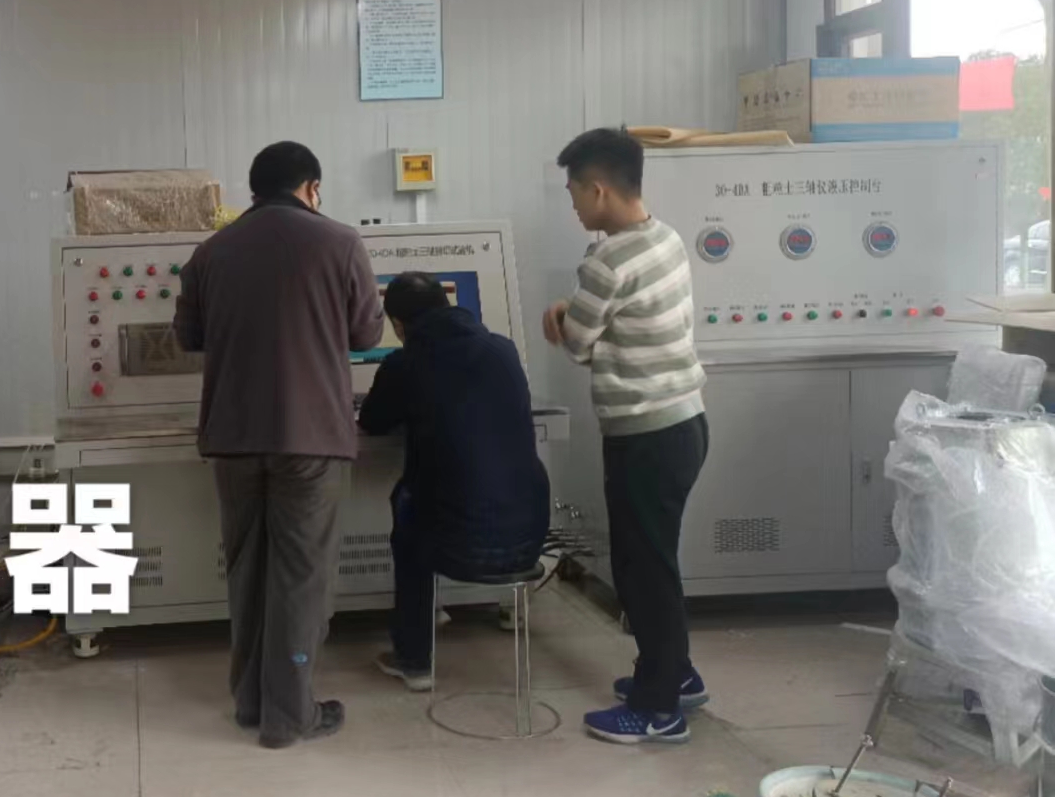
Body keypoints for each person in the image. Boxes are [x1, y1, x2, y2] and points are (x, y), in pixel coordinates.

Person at [174, 141, 383, 749]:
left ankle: (250, 702)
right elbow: (366, 332)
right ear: (311, 188)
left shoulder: (211, 251)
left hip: (233, 435)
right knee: (301, 575)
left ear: (254, 189)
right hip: (310, 436)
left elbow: (188, 337)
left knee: (247, 569)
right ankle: (290, 715)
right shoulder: (340, 241)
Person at [544, 128, 709, 745]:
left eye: (573, 193)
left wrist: (560, 315)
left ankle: (657, 708)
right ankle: (676, 674)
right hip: (685, 422)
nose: (573, 206)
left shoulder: (605, 261)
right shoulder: (665, 238)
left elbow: (578, 344)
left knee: (643, 570)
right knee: (657, 561)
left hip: (644, 435)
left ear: (598, 189)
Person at [357, 272, 550, 691]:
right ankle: (452, 609)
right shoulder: (503, 348)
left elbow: (372, 421)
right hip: (529, 538)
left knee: (409, 504)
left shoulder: (405, 363)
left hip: (459, 546)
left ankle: (413, 659)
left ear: (399, 325)